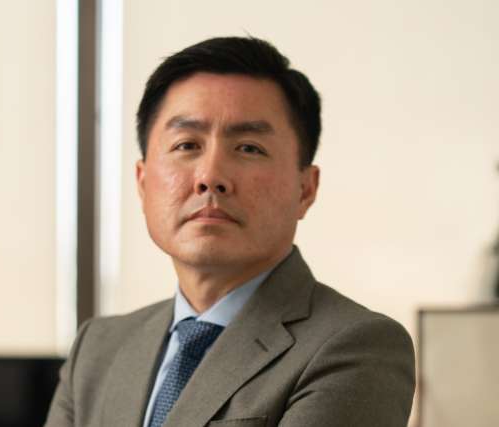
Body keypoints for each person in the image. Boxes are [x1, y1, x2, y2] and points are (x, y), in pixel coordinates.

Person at [45, 36, 415, 427]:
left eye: (249, 148)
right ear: (142, 181)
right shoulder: (98, 349)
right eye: (186, 144)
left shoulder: (356, 346)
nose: (210, 176)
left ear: (305, 189)